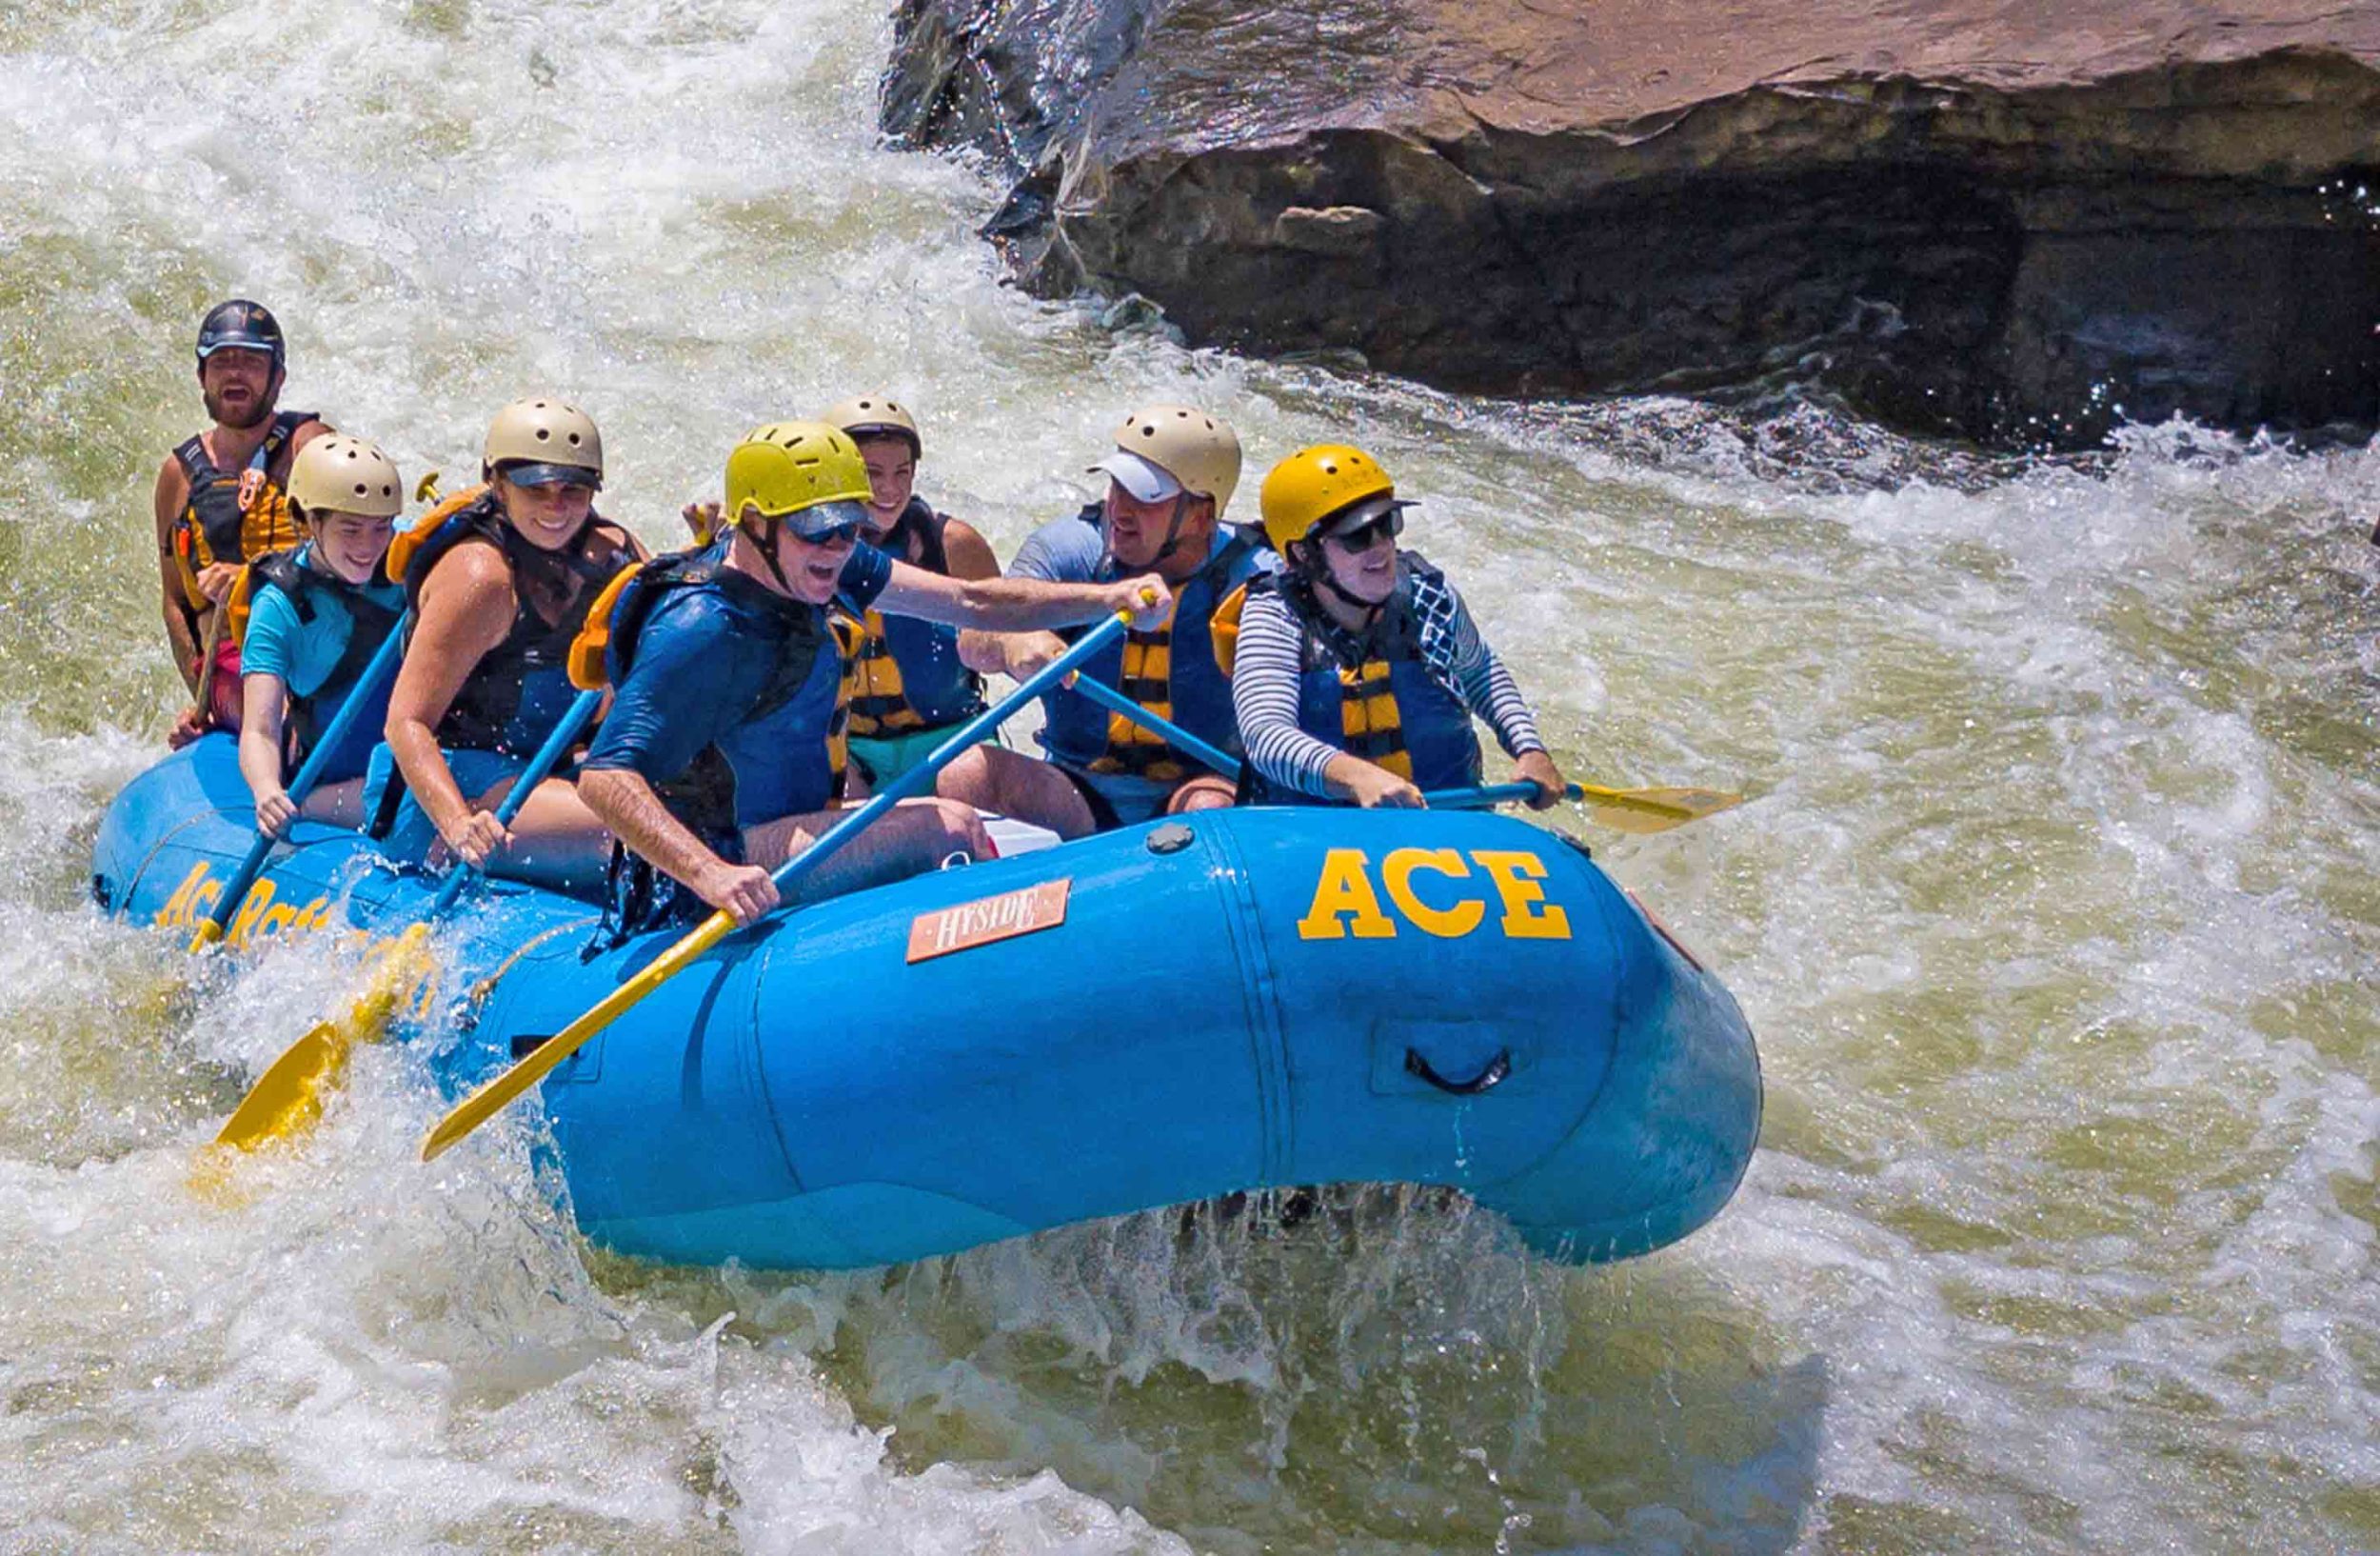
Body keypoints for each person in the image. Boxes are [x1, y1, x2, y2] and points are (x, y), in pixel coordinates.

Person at [576, 421, 1172, 931]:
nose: (839, 547)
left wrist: (1107, 597)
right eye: (819, 529)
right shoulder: (703, 628)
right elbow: (604, 778)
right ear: (756, 523)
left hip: (795, 826)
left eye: (851, 527)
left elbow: (971, 600)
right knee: (948, 828)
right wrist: (711, 872)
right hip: (722, 857)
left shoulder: (820, 559)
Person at [941, 406, 1264, 837]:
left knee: (1205, 809)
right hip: (1078, 787)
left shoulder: (1256, 575)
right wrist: (1012, 643)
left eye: (1146, 498)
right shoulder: (1069, 549)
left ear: (1201, 515)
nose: (1120, 510)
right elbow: (975, 636)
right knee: (966, 772)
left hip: (1199, 782)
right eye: (1117, 486)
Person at [366, 398, 645, 888]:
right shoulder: (481, 579)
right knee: (625, 829)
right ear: (497, 484)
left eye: (572, 490)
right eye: (536, 488)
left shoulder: (615, 555)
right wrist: (457, 824)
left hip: (543, 772)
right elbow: (405, 722)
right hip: (442, 785)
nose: (556, 507)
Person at [1227, 444, 1566, 808]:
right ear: (1303, 554)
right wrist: (1357, 777)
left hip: (1444, 817)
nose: (1380, 547)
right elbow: (1266, 735)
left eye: (1386, 525)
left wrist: (1529, 748)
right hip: (1313, 830)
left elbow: (1480, 673)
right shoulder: (1274, 614)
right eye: (1356, 535)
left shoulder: (1429, 597)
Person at [152, 300, 329, 745]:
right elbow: (176, 601)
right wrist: (203, 702)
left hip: (315, 650)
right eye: (222, 362)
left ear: (278, 377)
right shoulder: (179, 475)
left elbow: (360, 553)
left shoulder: (310, 449)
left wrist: (255, 578)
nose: (235, 374)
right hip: (234, 663)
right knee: (287, 725)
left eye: (252, 362)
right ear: (202, 377)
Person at [821, 394, 1003, 788]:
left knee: (968, 779)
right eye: (872, 473)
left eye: (902, 472)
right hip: (850, 748)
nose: (890, 490)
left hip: (950, 742)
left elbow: (1002, 623)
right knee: (832, 787)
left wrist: (998, 642)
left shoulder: (953, 543)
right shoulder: (803, 549)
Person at [232, 434, 407, 834]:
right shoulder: (279, 606)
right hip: (337, 791)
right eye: (351, 529)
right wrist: (266, 790)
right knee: (400, 802)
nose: (370, 546)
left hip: (416, 768)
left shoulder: (411, 558)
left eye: (382, 527)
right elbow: (260, 729)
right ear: (311, 521)